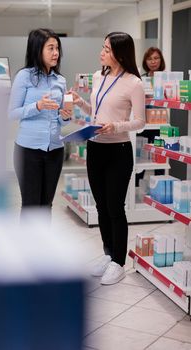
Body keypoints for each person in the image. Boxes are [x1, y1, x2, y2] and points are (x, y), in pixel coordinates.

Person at [72, 32, 145, 285]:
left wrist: (114, 126)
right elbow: (97, 111)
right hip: (95, 148)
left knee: (115, 208)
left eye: (106, 48)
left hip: (118, 151)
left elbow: (140, 121)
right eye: (102, 47)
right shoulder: (97, 76)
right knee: (101, 206)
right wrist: (81, 102)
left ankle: (118, 262)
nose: (101, 52)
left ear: (119, 53)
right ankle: (107, 253)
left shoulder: (134, 83)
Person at [8, 28, 72, 216]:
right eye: (50, 48)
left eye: (57, 48)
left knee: (46, 206)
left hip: (55, 151)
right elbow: (12, 113)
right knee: (30, 206)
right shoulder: (24, 76)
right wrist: (37, 106)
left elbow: (61, 121)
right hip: (28, 151)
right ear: (38, 50)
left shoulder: (60, 80)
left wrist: (66, 115)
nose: (56, 53)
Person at [136, 47, 166, 186]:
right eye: (150, 59)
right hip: (143, 124)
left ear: (161, 60)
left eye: (156, 58)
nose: (153, 61)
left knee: (159, 158)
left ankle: (159, 187)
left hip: (159, 125)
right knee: (140, 158)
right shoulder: (141, 79)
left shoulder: (167, 79)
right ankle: (135, 189)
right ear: (145, 61)